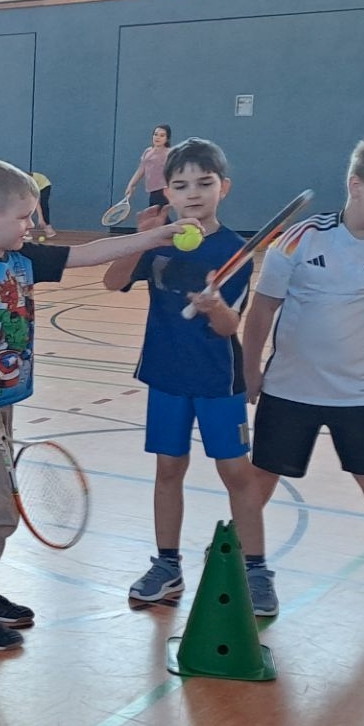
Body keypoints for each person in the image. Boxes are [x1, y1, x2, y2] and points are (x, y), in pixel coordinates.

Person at [0, 157, 198, 650]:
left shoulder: (21, 260)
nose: (32, 225)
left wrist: (154, 238)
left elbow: (90, 254)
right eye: (24, 216)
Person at [242, 137, 364, 615]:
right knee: (260, 474)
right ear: (355, 185)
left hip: (359, 395)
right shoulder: (302, 238)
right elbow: (263, 308)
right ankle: (240, 553)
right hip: (287, 390)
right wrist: (249, 366)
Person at [103, 137, 278, 616]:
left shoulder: (235, 250)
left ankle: (256, 568)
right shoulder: (158, 239)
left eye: (204, 183)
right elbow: (113, 281)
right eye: (181, 185)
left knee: (236, 473)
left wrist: (215, 306)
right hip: (165, 375)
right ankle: (167, 565)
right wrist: (141, 239)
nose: (193, 193)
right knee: (168, 470)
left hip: (217, 381)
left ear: (224, 187)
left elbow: (228, 328)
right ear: (168, 192)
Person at [124, 124, 172, 210]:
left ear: (167, 138)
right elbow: (141, 170)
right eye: (156, 134)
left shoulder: (169, 153)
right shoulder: (148, 151)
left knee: (157, 218)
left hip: (164, 191)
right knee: (158, 219)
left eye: (162, 135)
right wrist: (131, 185)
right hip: (152, 191)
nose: (158, 137)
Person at [30, 172, 56, 238]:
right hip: (34, 186)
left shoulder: (30, 182)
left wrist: (40, 218)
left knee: (44, 204)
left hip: (44, 185)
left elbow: (37, 203)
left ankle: (48, 228)